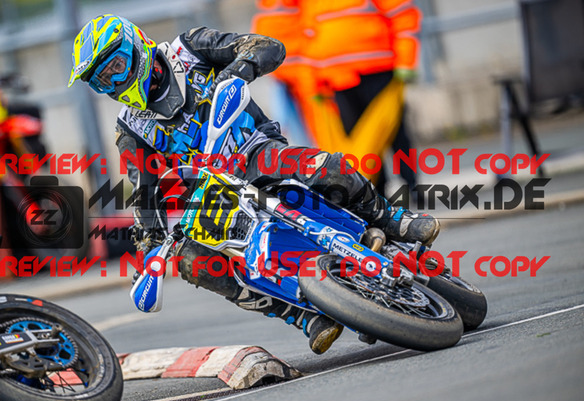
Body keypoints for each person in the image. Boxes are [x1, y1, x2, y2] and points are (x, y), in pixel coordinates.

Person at [68, 14, 440, 354]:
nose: (113, 82)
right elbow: (144, 191)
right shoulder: (130, 128)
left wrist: (237, 70)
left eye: (116, 67)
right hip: (210, 192)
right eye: (101, 80)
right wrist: (149, 248)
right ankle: (302, 316)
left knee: (327, 167)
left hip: (254, 150)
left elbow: (267, 46)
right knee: (192, 262)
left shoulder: (189, 48)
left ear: (136, 46)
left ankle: (392, 219)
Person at [252, 0, 421, 198]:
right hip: (337, 78)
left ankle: (412, 186)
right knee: (359, 138)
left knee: (395, 134)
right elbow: (308, 36)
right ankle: (377, 193)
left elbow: (404, 15)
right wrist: (313, 81)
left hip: (378, 69)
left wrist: (406, 59)